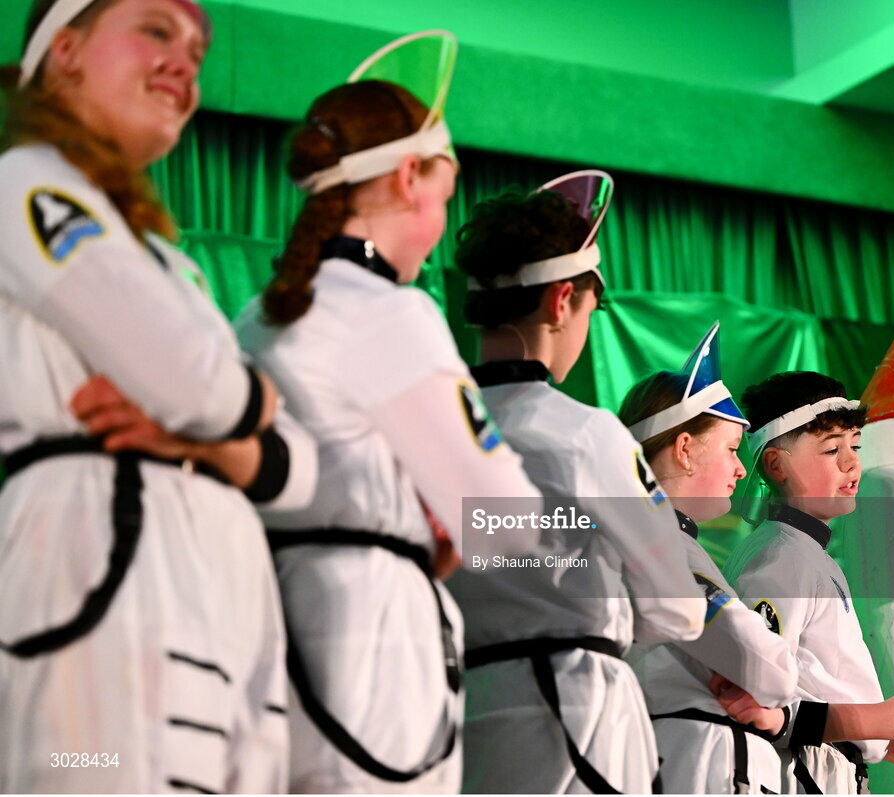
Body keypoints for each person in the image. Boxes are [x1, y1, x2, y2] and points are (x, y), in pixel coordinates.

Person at [0, 0, 316, 791]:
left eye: (197, 50)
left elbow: (298, 464)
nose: (185, 62)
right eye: (155, 30)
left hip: (223, 601)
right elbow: (205, 389)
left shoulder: (175, 268)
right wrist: (252, 407)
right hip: (116, 577)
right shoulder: (26, 185)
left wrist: (212, 435)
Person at [235, 31, 542, 794]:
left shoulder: (254, 317)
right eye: (447, 188)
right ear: (410, 178)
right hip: (372, 648)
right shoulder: (390, 312)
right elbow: (508, 520)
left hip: (265, 633)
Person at [448, 172, 707, 794]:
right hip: (579, 721)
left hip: (460, 713)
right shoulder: (587, 434)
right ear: (562, 301)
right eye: (592, 309)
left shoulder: (430, 426)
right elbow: (677, 609)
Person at [723, 371, 894, 793]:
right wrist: (880, 720)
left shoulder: (804, 553)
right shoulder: (782, 557)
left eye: (854, 445)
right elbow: (753, 698)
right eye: (831, 449)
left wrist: (877, 740)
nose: (851, 462)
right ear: (775, 465)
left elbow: (811, 679)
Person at [618, 322, 800, 794]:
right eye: (732, 449)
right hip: (698, 766)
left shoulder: (656, 541)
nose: (741, 469)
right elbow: (772, 670)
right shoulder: (663, 549)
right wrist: (762, 675)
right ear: (684, 450)